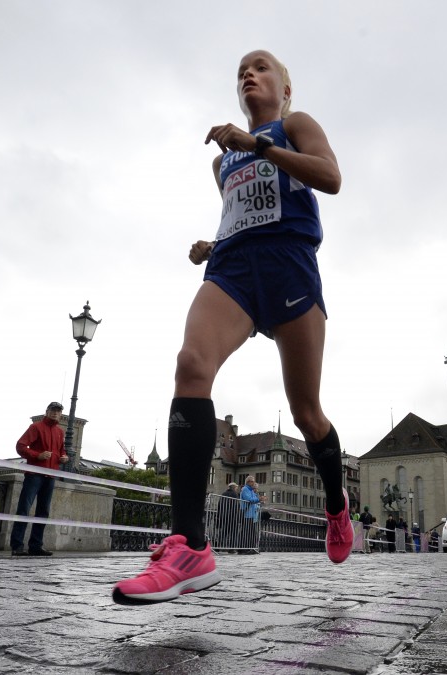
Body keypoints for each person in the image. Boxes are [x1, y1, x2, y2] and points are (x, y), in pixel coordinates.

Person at [113, 49, 346, 604]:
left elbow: (331, 178)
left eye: (261, 66)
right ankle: (190, 546)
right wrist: (213, 245)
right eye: (242, 69)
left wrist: (261, 143)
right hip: (235, 271)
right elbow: (248, 215)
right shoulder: (221, 164)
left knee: (306, 413)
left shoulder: (294, 124)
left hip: (290, 267)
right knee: (191, 365)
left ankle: (337, 507)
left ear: (285, 87)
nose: (249, 74)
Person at [9, 402, 68, 557]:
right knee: (24, 508)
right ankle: (17, 546)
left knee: (43, 511)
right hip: (34, 475)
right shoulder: (35, 427)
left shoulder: (60, 432)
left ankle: (36, 545)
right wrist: (38, 455)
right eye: (53, 410)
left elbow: (62, 451)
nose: (55, 413)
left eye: (58, 411)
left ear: (61, 414)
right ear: (47, 412)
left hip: (50, 476)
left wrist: (64, 458)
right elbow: (21, 446)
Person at [239, 475, 265, 551]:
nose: (254, 483)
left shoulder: (250, 490)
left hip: (251, 514)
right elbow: (250, 499)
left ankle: (250, 548)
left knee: (251, 533)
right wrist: (259, 499)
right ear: (248, 482)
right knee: (247, 532)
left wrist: (258, 500)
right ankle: (245, 549)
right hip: (247, 514)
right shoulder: (245, 489)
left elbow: (254, 500)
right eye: (252, 481)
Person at [216, 481, 241, 550]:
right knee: (233, 533)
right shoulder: (234, 494)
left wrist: (219, 515)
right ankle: (231, 548)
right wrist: (237, 515)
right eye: (236, 487)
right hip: (233, 516)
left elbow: (219, 505)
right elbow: (236, 506)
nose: (236, 489)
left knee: (224, 532)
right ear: (234, 487)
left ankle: (218, 546)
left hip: (224, 516)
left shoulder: (223, 494)